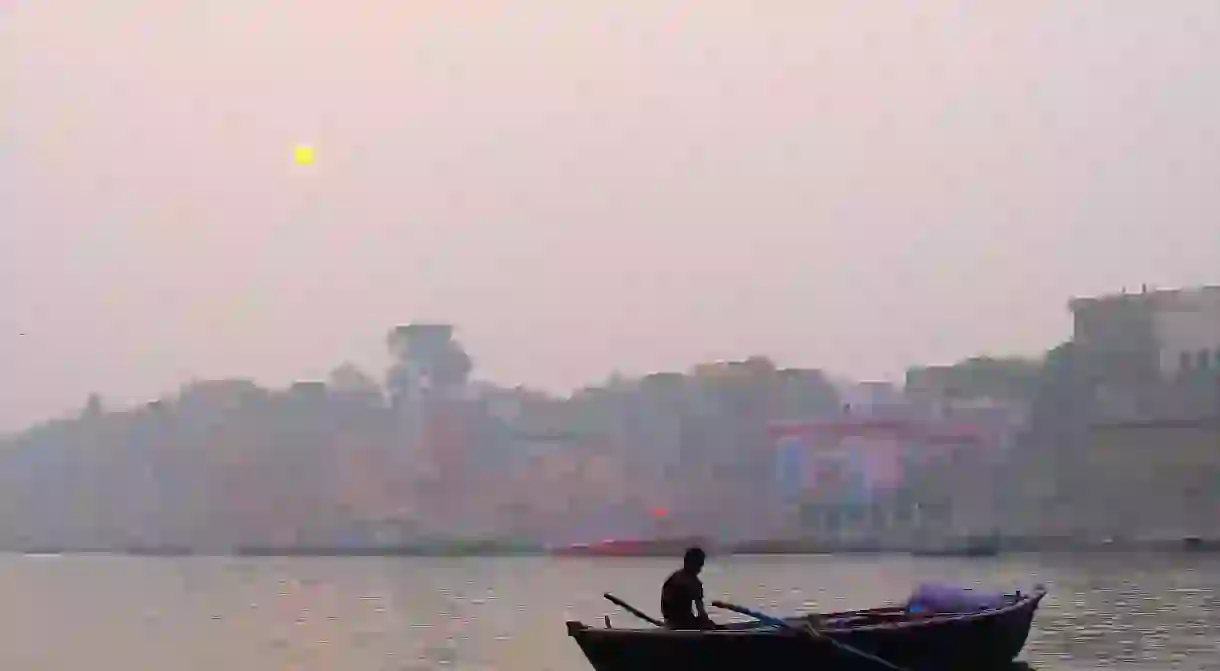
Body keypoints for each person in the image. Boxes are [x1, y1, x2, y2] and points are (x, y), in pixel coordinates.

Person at [660, 547, 719, 629]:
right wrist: (707, 623)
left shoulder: (673, 577)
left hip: (670, 621)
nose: (700, 569)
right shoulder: (693, 583)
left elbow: (665, 607)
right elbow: (700, 610)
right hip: (683, 623)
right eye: (700, 564)